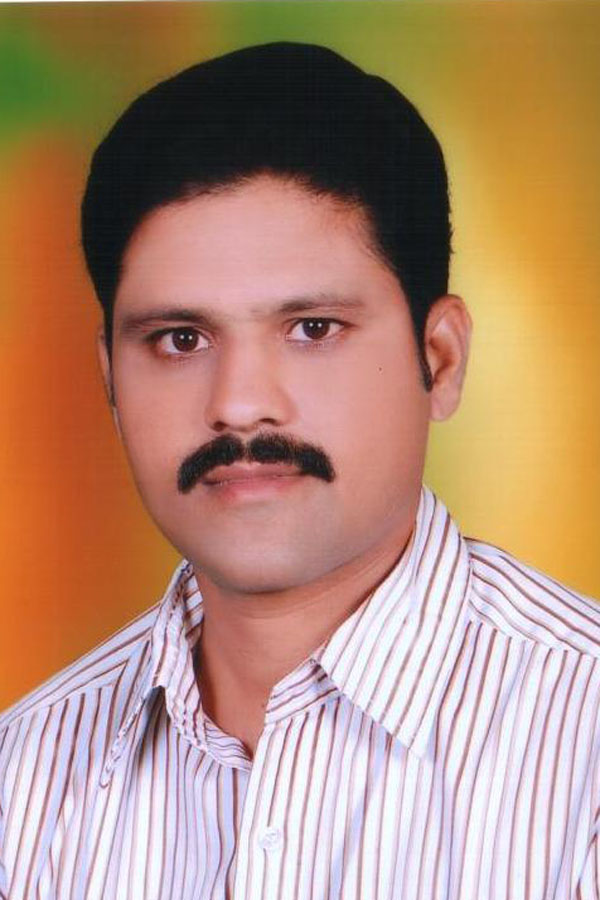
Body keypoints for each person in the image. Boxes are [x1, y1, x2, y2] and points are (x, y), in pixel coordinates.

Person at [0, 41, 598, 900]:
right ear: (110, 382)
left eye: (312, 329)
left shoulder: (583, 746)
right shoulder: (23, 784)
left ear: (440, 357)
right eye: (180, 339)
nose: (241, 405)